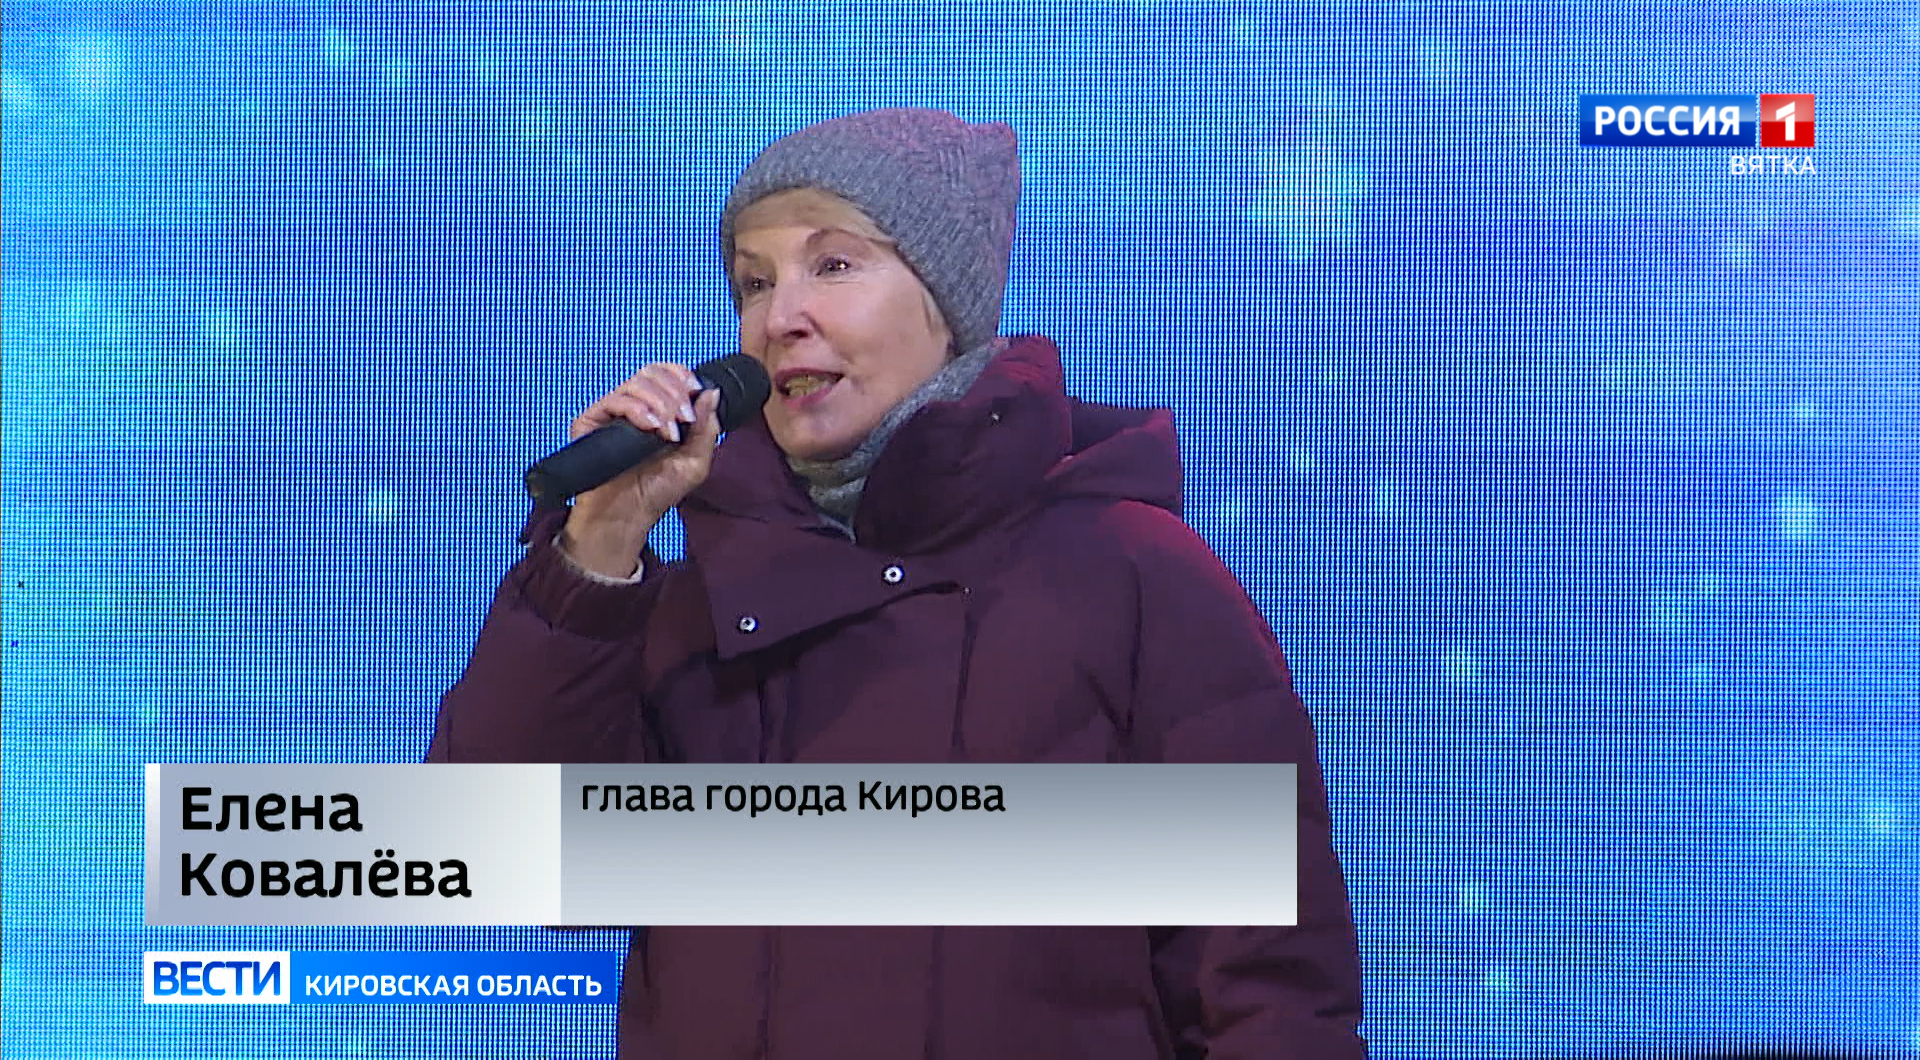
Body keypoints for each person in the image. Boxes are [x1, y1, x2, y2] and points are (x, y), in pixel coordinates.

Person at [428, 107, 1367, 1059]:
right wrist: (596, 547)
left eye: (834, 265)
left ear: (947, 303)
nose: (780, 318)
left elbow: (1267, 990)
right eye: (755, 282)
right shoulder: (697, 595)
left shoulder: (1134, 574)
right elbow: (506, 861)